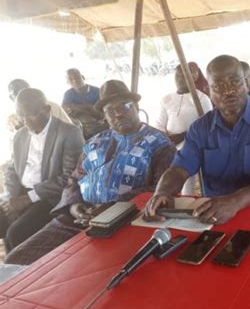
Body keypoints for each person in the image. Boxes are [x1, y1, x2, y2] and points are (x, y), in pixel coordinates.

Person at [5, 80, 176, 265]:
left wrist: (113, 208)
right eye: (110, 110)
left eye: (125, 106)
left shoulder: (159, 144)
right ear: (104, 116)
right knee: (17, 260)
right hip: (76, 220)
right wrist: (74, 206)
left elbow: (158, 191)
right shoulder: (96, 141)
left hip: (125, 222)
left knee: (90, 271)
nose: (118, 113)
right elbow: (73, 181)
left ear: (136, 106)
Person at [144, 55, 250, 225]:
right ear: (208, 90)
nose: (228, 91)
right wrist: (162, 192)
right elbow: (179, 170)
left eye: (235, 82)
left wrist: (235, 201)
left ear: (248, 81)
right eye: (218, 86)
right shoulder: (200, 129)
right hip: (216, 214)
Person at [1, 88, 84, 253]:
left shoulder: (69, 133)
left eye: (30, 116)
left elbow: (68, 178)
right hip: (20, 193)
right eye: (21, 116)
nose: (25, 122)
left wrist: (27, 199)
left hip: (50, 197)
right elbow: (12, 170)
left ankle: (24, 275)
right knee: (4, 221)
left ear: (46, 110)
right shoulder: (20, 136)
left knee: (16, 233)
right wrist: (11, 199)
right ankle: (10, 272)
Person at [156, 65, 213, 195]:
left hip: (192, 144)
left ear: (194, 77)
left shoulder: (202, 99)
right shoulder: (167, 99)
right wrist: (168, 140)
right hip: (169, 144)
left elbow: (209, 125)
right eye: (178, 75)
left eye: (185, 75)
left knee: (187, 179)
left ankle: (187, 199)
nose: (180, 79)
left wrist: (183, 136)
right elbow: (159, 125)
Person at [7, 79, 72, 133]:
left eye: (26, 91)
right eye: (17, 93)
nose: (23, 96)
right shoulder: (12, 119)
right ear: (11, 98)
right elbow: (14, 144)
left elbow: (71, 131)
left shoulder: (50, 106)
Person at [62, 68, 108, 139]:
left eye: (77, 77)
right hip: (81, 126)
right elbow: (64, 108)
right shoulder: (68, 94)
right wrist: (88, 108)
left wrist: (77, 108)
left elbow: (101, 112)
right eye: (71, 79)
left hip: (98, 123)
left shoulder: (97, 91)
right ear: (68, 82)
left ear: (83, 77)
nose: (75, 81)